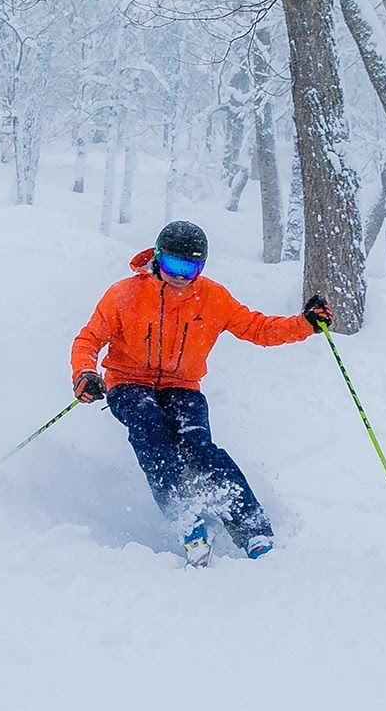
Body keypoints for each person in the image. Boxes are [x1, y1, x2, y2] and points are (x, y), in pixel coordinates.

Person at [70, 220, 331, 565]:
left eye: (190, 268)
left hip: (183, 386)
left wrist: (304, 324)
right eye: (173, 266)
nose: (180, 276)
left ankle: (251, 528)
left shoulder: (212, 297)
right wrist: (85, 374)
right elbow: (88, 340)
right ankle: (187, 520)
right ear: (157, 258)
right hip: (129, 382)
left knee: (199, 446)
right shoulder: (124, 294)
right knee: (150, 429)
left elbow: (258, 328)